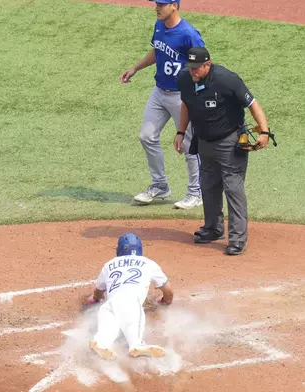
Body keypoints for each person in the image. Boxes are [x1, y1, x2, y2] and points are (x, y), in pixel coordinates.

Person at [174, 47, 273, 255]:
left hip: (229, 141)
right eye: (190, 67)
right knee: (208, 185)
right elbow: (186, 105)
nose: (192, 71)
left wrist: (264, 131)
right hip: (204, 142)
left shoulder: (226, 80)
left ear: (207, 65)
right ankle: (213, 229)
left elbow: (253, 104)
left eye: (196, 68)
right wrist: (180, 132)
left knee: (233, 188)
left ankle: (237, 238)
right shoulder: (184, 79)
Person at [121, 0, 205, 209]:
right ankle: (160, 185)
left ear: (174, 6)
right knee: (146, 136)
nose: (157, 7)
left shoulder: (188, 33)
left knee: (188, 145)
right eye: (157, 3)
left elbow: (203, 63)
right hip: (159, 92)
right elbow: (157, 51)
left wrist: (197, 93)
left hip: (181, 97)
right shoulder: (159, 26)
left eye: (162, 4)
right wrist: (136, 67)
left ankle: (196, 192)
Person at [85, 233, 174, 360]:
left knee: (108, 327)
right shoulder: (148, 263)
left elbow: (98, 291)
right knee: (133, 323)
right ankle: (137, 344)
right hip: (131, 301)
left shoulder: (109, 264)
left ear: (119, 250)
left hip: (109, 304)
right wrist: (166, 301)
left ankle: (101, 343)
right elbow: (168, 291)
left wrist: (95, 299)